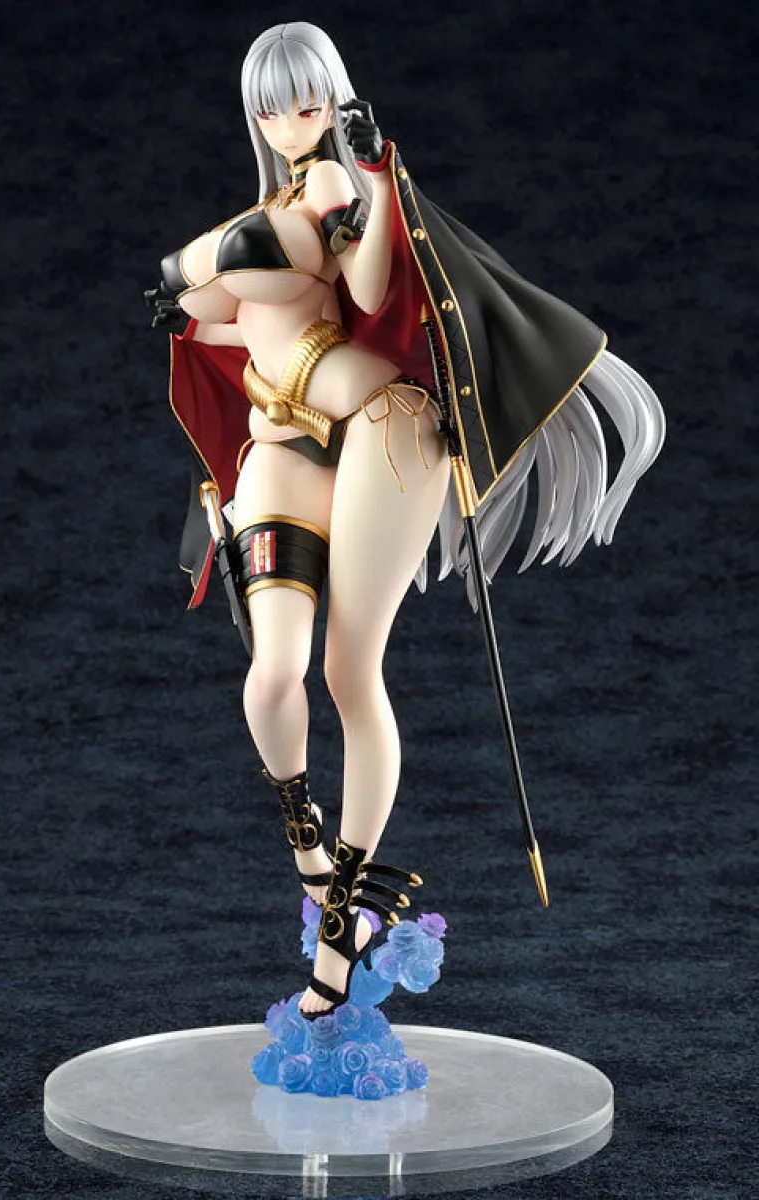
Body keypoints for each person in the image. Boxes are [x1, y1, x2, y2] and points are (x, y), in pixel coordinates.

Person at [147, 21, 665, 1020]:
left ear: (333, 101)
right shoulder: (274, 203)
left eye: (305, 103)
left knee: (349, 670)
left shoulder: (336, 191)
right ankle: (309, 847)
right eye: (269, 107)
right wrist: (186, 307)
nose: (288, 122)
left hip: (382, 426)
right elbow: (229, 311)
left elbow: (372, 289)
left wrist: (379, 182)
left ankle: (342, 918)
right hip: (278, 440)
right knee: (271, 671)